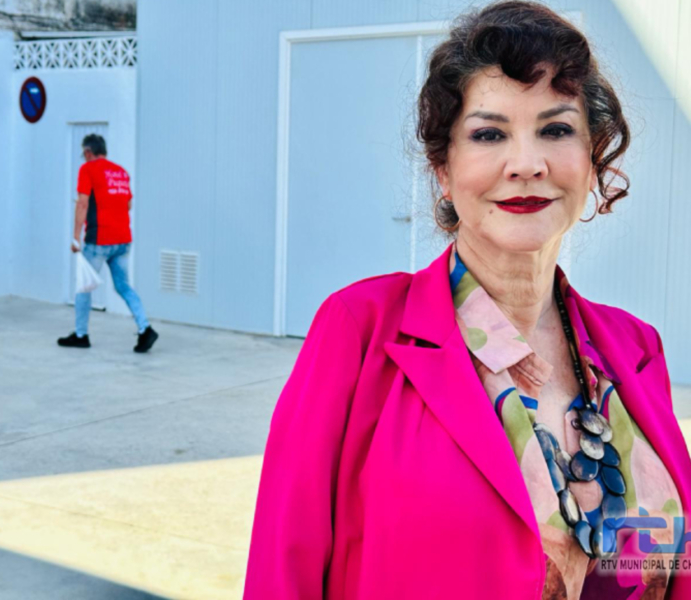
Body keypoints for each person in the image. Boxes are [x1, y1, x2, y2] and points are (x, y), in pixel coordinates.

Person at [243, 2, 691, 598]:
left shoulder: (635, 348)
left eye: (556, 130)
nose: (527, 164)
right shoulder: (359, 332)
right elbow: (284, 568)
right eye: (489, 134)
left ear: (591, 161)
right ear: (443, 171)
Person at [58, 134, 159, 353]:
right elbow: (128, 203)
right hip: (123, 240)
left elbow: (83, 204)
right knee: (123, 286)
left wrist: (76, 237)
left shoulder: (88, 170)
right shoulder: (120, 172)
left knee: (84, 287)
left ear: (87, 152)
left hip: (99, 240)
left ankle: (81, 334)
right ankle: (145, 328)